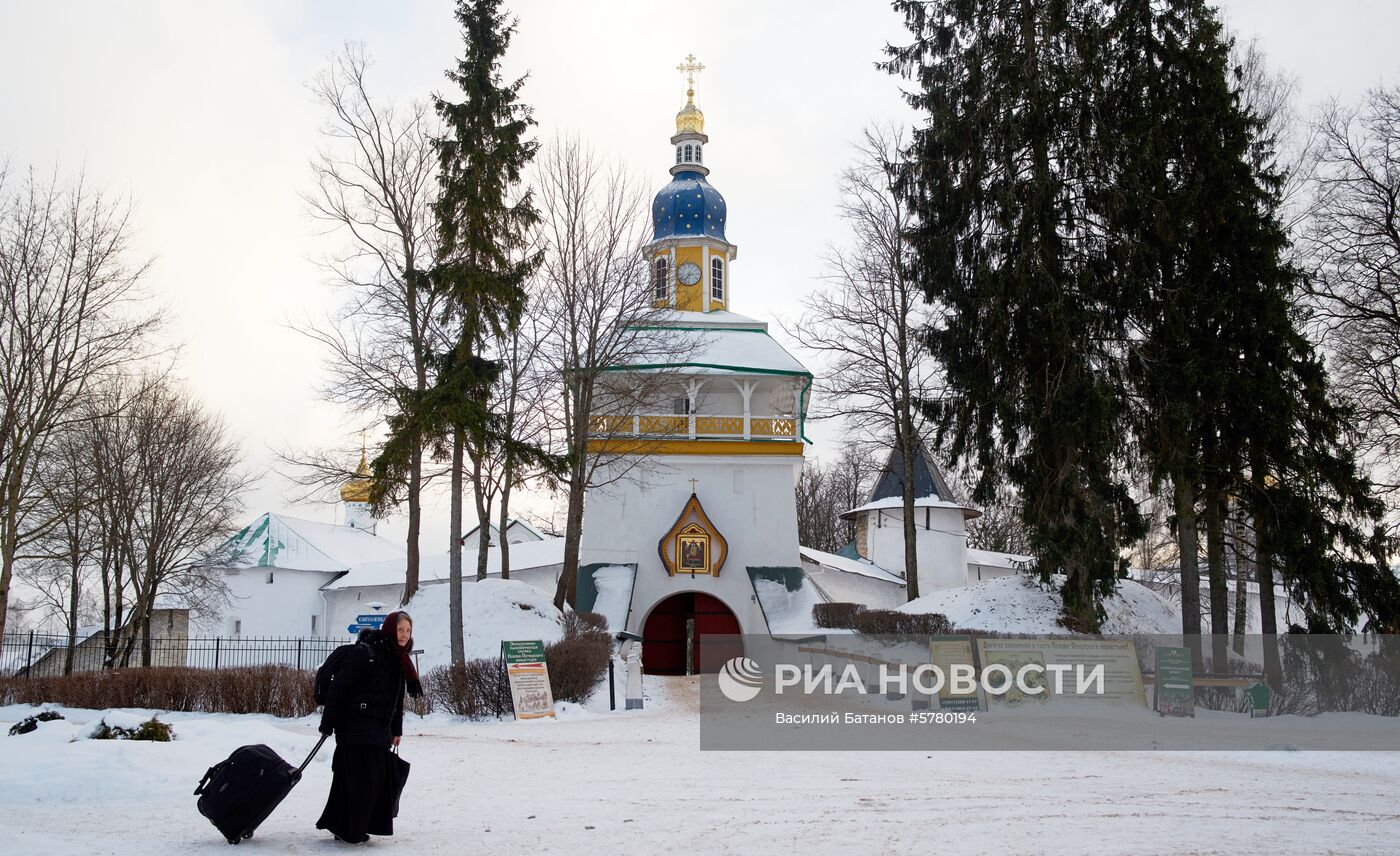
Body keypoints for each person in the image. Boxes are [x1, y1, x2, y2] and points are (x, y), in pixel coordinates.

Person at [316, 610, 423, 844]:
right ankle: (349, 829)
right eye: (400, 629)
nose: (404, 635)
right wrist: (328, 724)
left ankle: (348, 826)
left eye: (408, 630)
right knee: (360, 780)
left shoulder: (398, 659)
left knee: (366, 780)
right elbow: (339, 689)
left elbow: (397, 700)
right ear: (389, 628)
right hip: (354, 727)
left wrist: (396, 730)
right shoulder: (366, 653)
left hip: (378, 729)